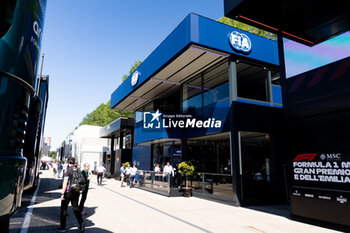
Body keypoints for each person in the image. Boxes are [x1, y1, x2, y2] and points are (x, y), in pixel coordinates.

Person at [57, 157, 85, 233]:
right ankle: (81, 222)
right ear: (74, 162)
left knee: (63, 209)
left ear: (68, 162)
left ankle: (62, 228)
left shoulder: (68, 171)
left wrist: (62, 193)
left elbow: (65, 182)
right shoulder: (78, 170)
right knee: (75, 208)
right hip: (77, 191)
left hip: (68, 192)